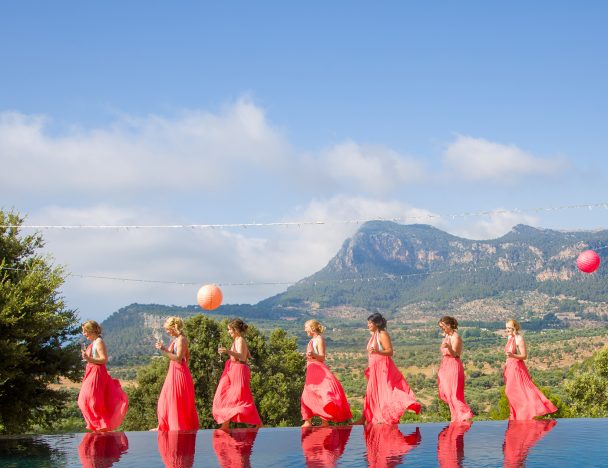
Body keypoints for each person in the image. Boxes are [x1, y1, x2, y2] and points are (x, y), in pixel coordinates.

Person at [355, 313, 421, 425]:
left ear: (376, 323)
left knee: (385, 393)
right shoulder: (375, 334)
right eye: (368, 323)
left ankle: (389, 416)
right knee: (371, 393)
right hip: (375, 368)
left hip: (383, 368)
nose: (368, 325)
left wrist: (377, 352)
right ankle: (364, 418)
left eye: (370, 323)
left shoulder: (382, 334)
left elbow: (390, 351)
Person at [78, 320, 128, 432]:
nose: (84, 334)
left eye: (85, 331)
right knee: (85, 400)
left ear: (91, 331)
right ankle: (97, 426)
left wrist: (89, 359)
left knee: (92, 400)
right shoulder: (94, 342)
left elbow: (103, 359)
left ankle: (101, 425)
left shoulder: (99, 342)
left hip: (97, 373)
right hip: (92, 372)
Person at [213, 318, 263, 431]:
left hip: (239, 370)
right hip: (234, 369)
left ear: (235, 330)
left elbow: (241, 356)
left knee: (241, 398)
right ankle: (225, 424)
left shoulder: (240, 340)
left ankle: (256, 422)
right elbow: (247, 354)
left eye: (230, 329)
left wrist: (227, 351)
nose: (228, 332)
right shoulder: (238, 340)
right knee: (227, 395)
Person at [301, 320, 352, 427]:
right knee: (308, 394)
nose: (305, 329)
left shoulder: (319, 339)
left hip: (318, 370)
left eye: (306, 327)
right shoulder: (312, 340)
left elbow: (322, 357)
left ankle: (324, 421)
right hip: (311, 370)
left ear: (312, 328)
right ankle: (308, 421)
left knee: (322, 394)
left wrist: (313, 354)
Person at [503, 319, 557, 420]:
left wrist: (512, 355)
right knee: (510, 392)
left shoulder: (519, 338)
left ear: (515, 327)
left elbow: (524, 356)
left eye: (509, 328)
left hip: (516, 367)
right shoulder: (510, 337)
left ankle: (527, 413)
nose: (507, 330)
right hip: (509, 367)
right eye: (506, 328)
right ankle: (516, 415)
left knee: (519, 391)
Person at [154, 316, 199, 431]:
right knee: (165, 400)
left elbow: (179, 358)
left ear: (174, 327)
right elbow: (186, 356)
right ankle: (167, 426)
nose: (167, 331)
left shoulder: (181, 339)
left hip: (178, 373)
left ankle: (176, 428)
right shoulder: (177, 339)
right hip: (175, 372)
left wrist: (164, 349)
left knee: (176, 401)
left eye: (168, 329)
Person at [437, 316, 474, 422]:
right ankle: (456, 418)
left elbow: (456, 355)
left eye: (443, 327)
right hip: (446, 366)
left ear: (448, 325)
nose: (442, 329)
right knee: (448, 393)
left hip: (453, 365)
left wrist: (448, 348)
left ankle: (464, 415)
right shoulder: (447, 336)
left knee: (454, 394)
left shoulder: (456, 337)